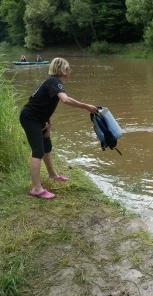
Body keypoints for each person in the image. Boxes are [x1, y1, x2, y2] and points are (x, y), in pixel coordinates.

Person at [19, 57, 98, 199]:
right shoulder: (54, 82)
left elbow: (41, 102)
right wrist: (86, 106)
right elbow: (65, 100)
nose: (70, 71)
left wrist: (48, 121)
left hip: (39, 119)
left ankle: (53, 175)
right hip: (30, 119)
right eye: (68, 68)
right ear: (61, 70)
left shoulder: (52, 82)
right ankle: (36, 189)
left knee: (47, 146)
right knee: (38, 151)